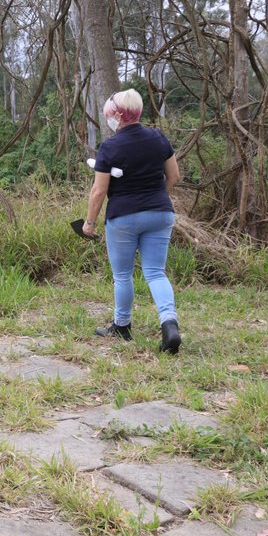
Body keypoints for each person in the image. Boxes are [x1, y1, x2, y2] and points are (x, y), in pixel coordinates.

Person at [82, 88, 182, 353]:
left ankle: (122, 326)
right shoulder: (158, 137)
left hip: (123, 216)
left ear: (117, 116)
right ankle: (169, 324)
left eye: (109, 116)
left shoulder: (110, 146)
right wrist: (156, 197)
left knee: (122, 275)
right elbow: (173, 176)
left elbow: (99, 191)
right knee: (156, 272)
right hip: (160, 212)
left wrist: (89, 223)